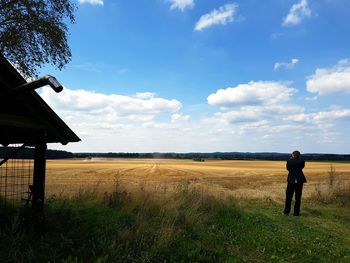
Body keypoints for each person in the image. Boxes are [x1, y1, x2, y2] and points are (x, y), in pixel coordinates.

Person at [283, 150, 306, 216]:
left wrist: (291, 158)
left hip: (291, 180)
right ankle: (296, 213)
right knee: (298, 197)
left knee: (288, 197)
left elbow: (288, 169)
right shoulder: (302, 161)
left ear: (293, 155)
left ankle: (286, 212)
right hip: (299, 180)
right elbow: (302, 167)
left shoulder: (289, 161)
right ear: (299, 156)